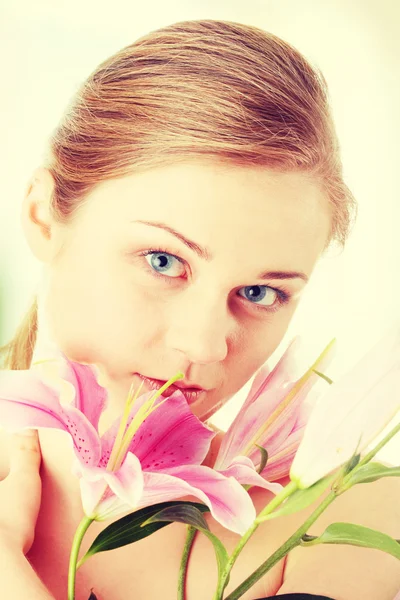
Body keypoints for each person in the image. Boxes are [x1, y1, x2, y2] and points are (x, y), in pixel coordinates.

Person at [0, 18, 399, 600]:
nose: (207, 346)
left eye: (262, 294)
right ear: (42, 217)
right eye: (163, 261)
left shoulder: (337, 524)